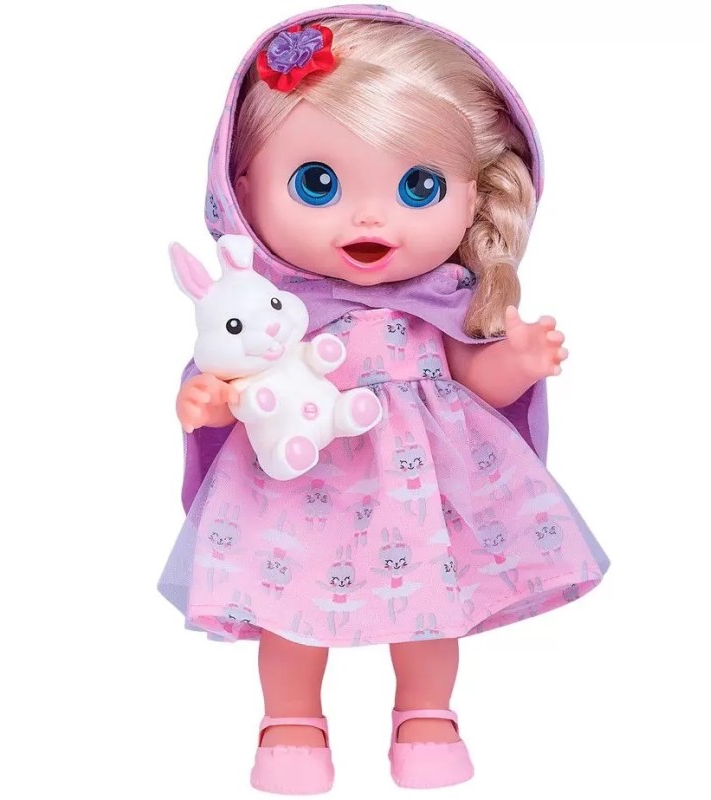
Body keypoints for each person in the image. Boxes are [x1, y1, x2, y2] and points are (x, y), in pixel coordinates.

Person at [157, 5, 610, 793]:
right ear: (242, 190)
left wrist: (517, 362)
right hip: (297, 491)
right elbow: (242, 386)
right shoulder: (272, 315)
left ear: (473, 197)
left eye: (418, 186)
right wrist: (210, 403)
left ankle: (426, 715)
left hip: (420, 487)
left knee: (434, 605)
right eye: (318, 183)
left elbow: (473, 382)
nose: (370, 216)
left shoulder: (439, 305)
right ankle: (291, 721)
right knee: (289, 610)